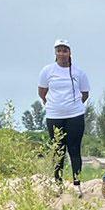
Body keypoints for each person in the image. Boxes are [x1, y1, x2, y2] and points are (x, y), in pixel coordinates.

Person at [38, 39, 90, 192]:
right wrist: (51, 104)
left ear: (69, 53)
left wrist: (73, 105)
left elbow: (85, 93)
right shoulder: (47, 71)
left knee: (74, 149)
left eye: (64, 50)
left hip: (75, 115)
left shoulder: (78, 72)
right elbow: (42, 91)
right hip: (54, 115)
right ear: (55, 52)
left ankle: (77, 184)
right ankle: (57, 183)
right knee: (58, 149)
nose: (61, 53)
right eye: (59, 50)